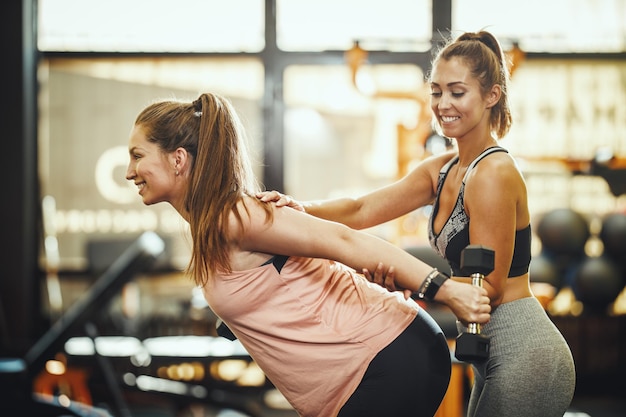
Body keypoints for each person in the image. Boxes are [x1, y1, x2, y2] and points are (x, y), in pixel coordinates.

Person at [259, 30, 576, 417]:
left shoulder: (493, 172)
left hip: (524, 349)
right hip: (489, 354)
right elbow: (360, 209)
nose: (443, 104)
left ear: (491, 95)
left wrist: (406, 276)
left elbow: (487, 289)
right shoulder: (442, 169)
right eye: (436, 92)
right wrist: (293, 209)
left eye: (457, 93)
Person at [125, 92, 491, 417]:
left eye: (137, 156)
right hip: (366, 369)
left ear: (177, 159)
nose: (129, 172)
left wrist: (446, 291)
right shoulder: (210, 226)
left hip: (385, 357)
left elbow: (346, 242)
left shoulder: (234, 216)